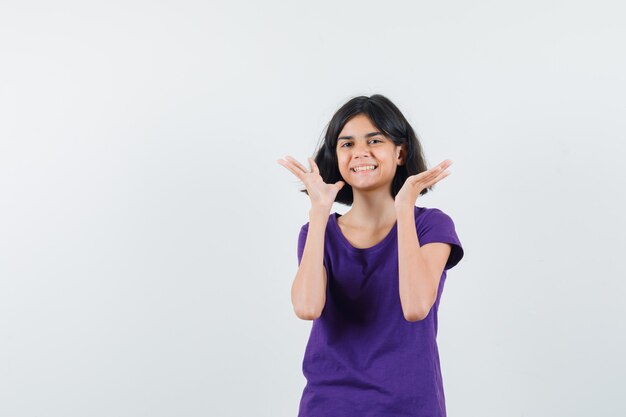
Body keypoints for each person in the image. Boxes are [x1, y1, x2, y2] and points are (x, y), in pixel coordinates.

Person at [277, 94, 465, 417]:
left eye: (374, 140)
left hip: (409, 407)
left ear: (400, 151)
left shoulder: (430, 226)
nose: (360, 153)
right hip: (329, 405)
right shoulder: (316, 233)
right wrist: (319, 211)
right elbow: (307, 307)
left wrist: (404, 208)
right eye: (346, 144)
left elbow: (417, 306)